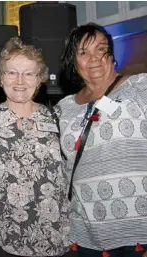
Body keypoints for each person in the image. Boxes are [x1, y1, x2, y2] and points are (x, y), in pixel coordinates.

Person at [57, 22, 147, 257]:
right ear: (73, 62)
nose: (94, 58)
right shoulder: (62, 109)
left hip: (141, 231)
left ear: (111, 53)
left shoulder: (140, 88)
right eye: (83, 52)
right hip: (88, 236)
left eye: (100, 49)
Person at [0, 37, 70, 257]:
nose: (20, 81)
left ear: (40, 79)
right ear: (1, 78)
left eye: (29, 73)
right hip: (5, 237)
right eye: (12, 72)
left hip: (54, 235)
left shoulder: (57, 117)